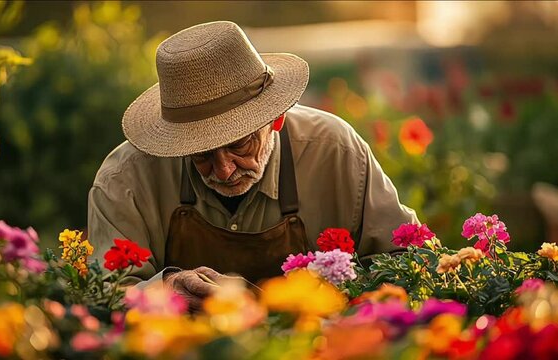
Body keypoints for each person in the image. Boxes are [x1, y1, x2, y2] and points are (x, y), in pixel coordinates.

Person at [88, 21, 418, 310]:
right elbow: (101, 297)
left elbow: (408, 264)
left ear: (276, 119)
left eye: (239, 145)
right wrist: (163, 290)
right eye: (200, 154)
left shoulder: (334, 152)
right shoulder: (127, 177)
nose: (224, 170)